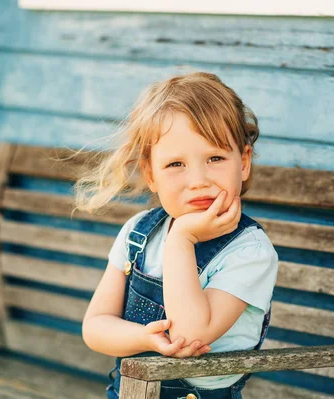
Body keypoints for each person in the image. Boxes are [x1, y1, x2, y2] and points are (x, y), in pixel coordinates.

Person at [76, 71, 278, 399]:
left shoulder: (249, 252)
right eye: (175, 164)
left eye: (215, 158)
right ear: (150, 173)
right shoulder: (139, 232)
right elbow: (95, 327)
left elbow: (191, 333)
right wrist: (145, 338)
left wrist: (182, 239)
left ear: (243, 162)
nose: (198, 179)